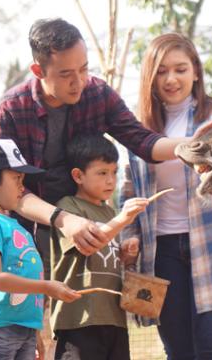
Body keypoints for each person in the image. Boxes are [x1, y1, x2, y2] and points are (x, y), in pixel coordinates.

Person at [0, 17, 212, 264]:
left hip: (89, 227)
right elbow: (10, 190)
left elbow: (143, 142)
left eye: (84, 68)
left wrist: (193, 143)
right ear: (38, 71)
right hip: (25, 235)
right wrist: (64, 219)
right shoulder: (10, 111)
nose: (79, 82)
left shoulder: (98, 94)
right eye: (66, 75)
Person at [121, 33, 212, 360]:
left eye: (180, 69)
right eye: (161, 71)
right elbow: (129, 186)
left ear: (196, 71)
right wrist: (129, 235)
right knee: (178, 352)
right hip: (161, 252)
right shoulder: (139, 129)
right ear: (150, 77)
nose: (171, 79)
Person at [0, 137, 82, 360]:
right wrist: (46, 287)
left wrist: (33, 330)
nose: (22, 187)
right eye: (17, 178)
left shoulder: (15, 224)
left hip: (23, 328)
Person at [50, 134, 148, 360]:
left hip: (114, 317)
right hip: (79, 318)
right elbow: (88, 245)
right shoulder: (68, 207)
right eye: (102, 173)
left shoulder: (110, 212)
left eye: (114, 172)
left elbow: (106, 251)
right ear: (78, 175)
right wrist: (123, 219)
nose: (111, 180)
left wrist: (125, 253)